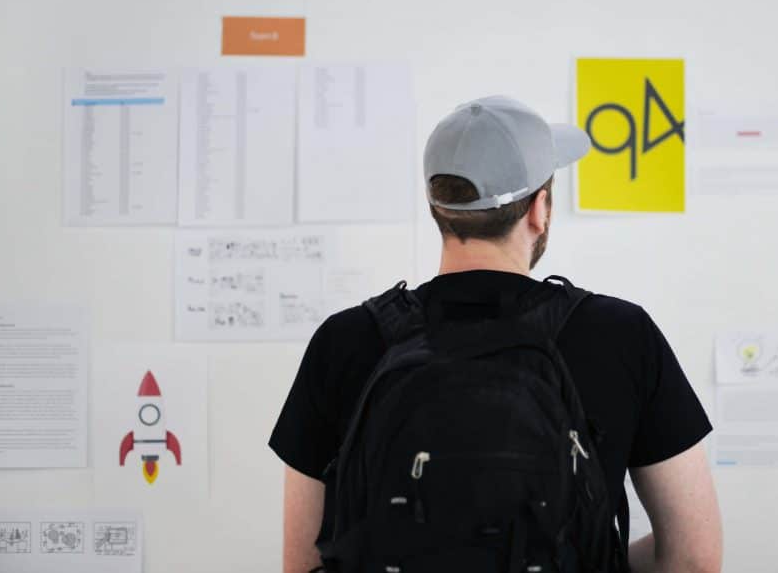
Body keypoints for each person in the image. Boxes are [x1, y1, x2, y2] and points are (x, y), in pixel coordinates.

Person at [270, 96, 722, 573]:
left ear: (437, 210)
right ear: (539, 210)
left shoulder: (344, 341)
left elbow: (303, 563)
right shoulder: (621, 336)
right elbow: (694, 558)